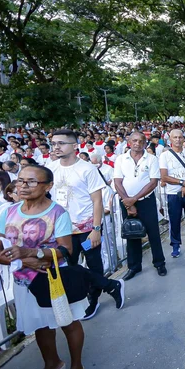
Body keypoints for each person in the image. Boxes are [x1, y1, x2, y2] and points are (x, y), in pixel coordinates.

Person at [0, 165, 87, 369]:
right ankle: (52, 364)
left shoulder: (58, 213)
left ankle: (76, 366)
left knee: (67, 321)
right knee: (40, 325)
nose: (23, 186)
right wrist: (26, 262)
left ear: (48, 186)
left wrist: (32, 254)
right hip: (24, 282)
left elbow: (65, 250)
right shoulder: (8, 212)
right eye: (20, 181)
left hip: (53, 280)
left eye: (31, 182)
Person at [49, 129, 124, 320]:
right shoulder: (51, 168)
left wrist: (96, 229)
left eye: (61, 143)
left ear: (75, 146)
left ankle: (93, 299)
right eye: (54, 143)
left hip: (86, 229)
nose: (56, 147)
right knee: (70, 266)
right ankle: (111, 286)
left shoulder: (87, 169)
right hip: (63, 230)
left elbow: (97, 201)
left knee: (93, 263)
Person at [114, 131, 167, 280]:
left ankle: (159, 263)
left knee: (153, 233)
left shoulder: (151, 159)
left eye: (141, 141)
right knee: (131, 233)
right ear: (129, 142)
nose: (137, 144)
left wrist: (135, 199)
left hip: (146, 201)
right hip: (126, 202)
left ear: (145, 143)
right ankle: (134, 266)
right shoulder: (121, 159)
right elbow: (117, 181)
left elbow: (153, 182)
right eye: (134, 141)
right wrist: (128, 202)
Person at [159, 129, 185, 258]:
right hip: (173, 193)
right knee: (174, 219)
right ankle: (175, 245)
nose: (178, 140)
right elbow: (164, 177)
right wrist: (183, 183)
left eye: (180, 137)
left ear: (183, 139)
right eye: (175, 137)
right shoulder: (164, 156)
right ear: (170, 139)